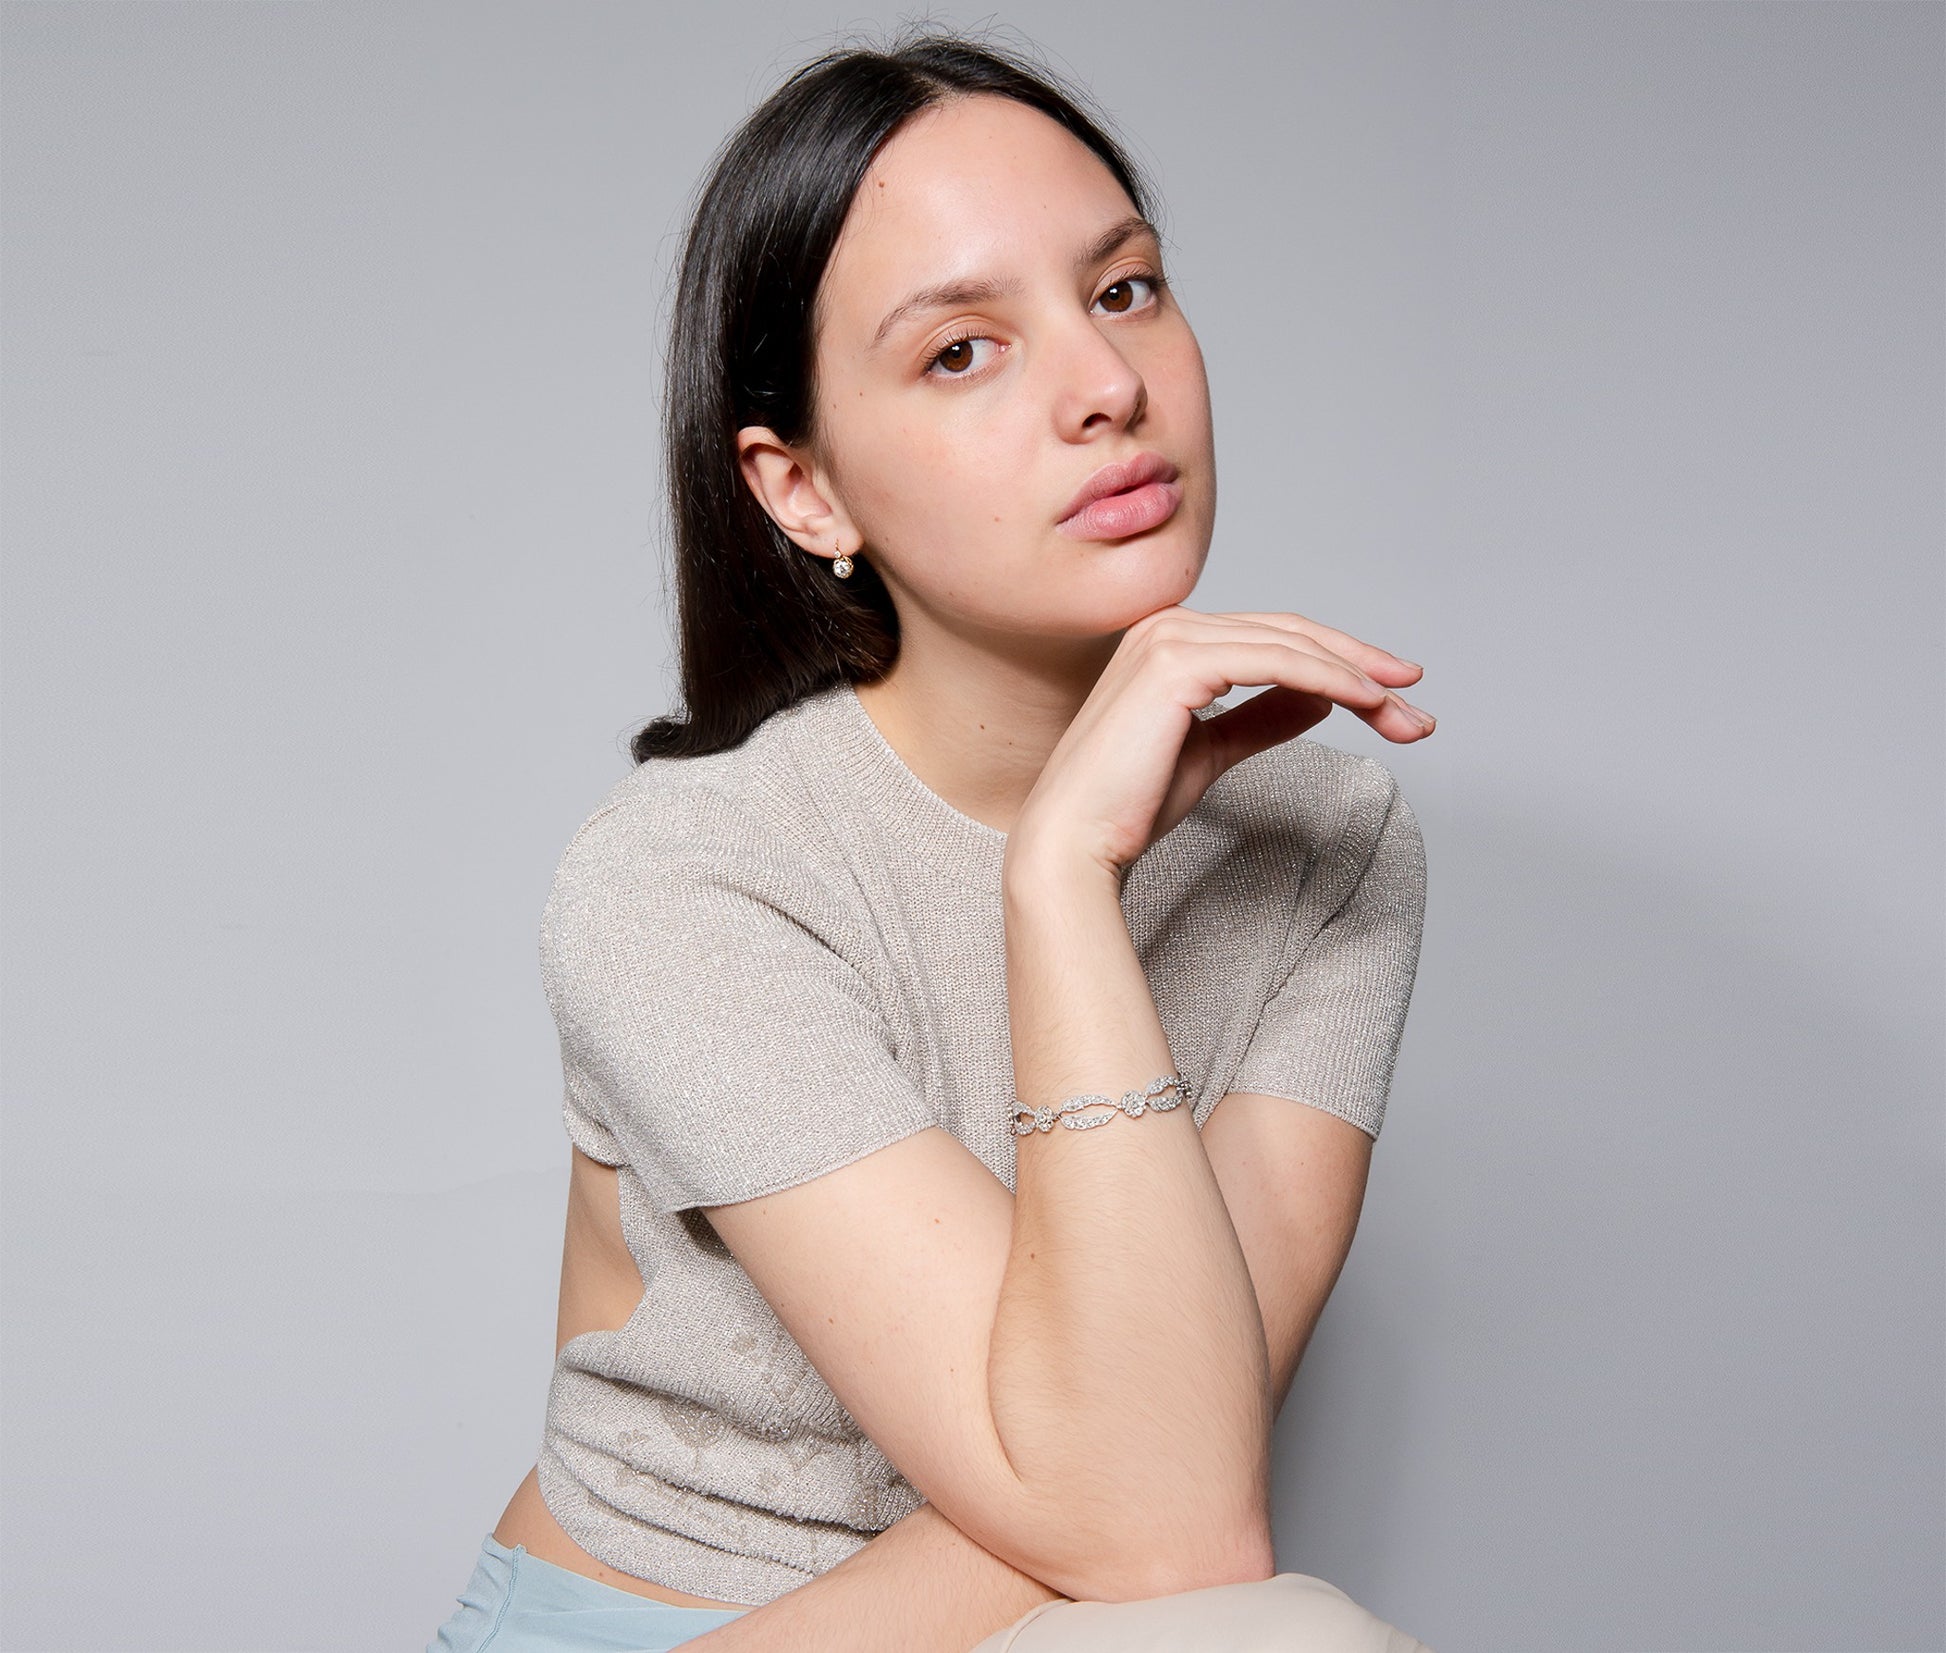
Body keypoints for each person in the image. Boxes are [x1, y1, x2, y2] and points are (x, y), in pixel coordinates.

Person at [426, 23, 1438, 1653]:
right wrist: (1060, 878)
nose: (1107, 386)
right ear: (803, 489)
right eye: (960, 350)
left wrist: (1067, 886)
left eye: (1123, 290)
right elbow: (1167, 1522)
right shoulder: (687, 877)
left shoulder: (1319, 828)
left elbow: (1172, 1495)